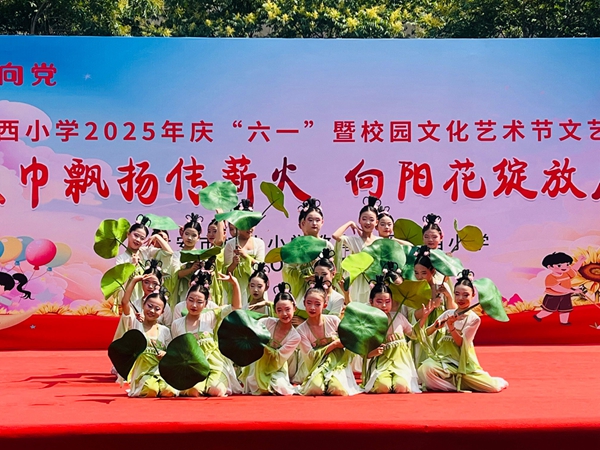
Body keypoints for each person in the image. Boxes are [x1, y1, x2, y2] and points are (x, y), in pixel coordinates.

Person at [417, 269, 508, 393]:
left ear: (473, 295)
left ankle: (495, 381)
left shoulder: (474, 319)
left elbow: (461, 343)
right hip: (444, 360)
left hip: (463, 362)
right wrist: (435, 327)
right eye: (457, 294)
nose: (460, 298)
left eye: (466, 295)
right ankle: (454, 386)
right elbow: (426, 333)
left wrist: (451, 327)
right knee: (425, 369)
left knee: (493, 388)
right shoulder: (448, 313)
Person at [170, 273, 243, 397]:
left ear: (205, 304)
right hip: (193, 367)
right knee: (193, 391)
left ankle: (215, 384)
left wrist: (235, 284)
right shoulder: (177, 324)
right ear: (186, 300)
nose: (194, 305)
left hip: (214, 365)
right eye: (191, 300)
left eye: (199, 302)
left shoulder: (211, 315)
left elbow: (236, 307)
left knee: (216, 391)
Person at [296, 277, 361, 396]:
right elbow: (310, 356)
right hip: (318, 364)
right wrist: (334, 344)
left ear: (325, 305)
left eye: (317, 304)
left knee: (337, 389)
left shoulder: (334, 320)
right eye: (309, 303)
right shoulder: (301, 330)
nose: (312, 307)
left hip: (338, 363)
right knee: (315, 389)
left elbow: (349, 341)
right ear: (304, 303)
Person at [240, 282, 301, 395]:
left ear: (294, 308)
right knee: (256, 385)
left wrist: (263, 347)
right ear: (275, 311)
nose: (284, 314)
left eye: (287, 309)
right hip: (258, 364)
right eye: (279, 310)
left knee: (281, 388)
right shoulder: (266, 322)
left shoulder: (295, 336)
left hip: (277, 367)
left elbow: (279, 357)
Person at [363, 275, 420, 394]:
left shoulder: (398, 317)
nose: (384, 305)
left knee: (401, 387)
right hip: (381, 365)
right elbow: (363, 352)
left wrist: (424, 318)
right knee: (382, 387)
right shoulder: (367, 323)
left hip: (400, 364)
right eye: (379, 302)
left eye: (387, 302)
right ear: (371, 302)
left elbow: (414, 335)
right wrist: (374, 352)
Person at [119, 289, 176, 398]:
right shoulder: (135, 324)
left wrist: (165, 354)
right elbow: (125, 303)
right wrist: (135, 281)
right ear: (143, 304)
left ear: (162, 312)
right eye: (149, 306)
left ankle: (159, 386)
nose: (152, 311)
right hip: (143, 373)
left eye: (157, 309)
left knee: (169, 391)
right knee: (151, 390)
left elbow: (171, 353)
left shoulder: (165, 331)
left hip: (160, 371)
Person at [282, 197, 333, 303]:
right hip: (302, 292)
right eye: (310, 220)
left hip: (323, 292)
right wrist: (304, 274)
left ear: (322, 222)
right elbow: (287, 271)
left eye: (317, 220)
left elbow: (334, 272)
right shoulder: (295, 246)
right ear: (303, 223)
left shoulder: (327, 246)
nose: (314, 223)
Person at [332, 196, 382, 304]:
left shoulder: (380, 241)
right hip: (356, 283)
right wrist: (350, 223)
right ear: (359, 220)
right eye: (364, 219)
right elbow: (335, 236)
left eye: (371, 220)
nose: (367, 222)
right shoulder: (354, 240)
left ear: (377, 222)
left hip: (373, 282)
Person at [113, 260, 172, 340]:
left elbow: (168, 327)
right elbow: (125, 304)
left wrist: (152, 324)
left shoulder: (165, 306)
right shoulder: (135, 304)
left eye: (154, 283)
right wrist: (134, 280)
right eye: (146, 282)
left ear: (160, 283)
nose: (150, 286)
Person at [224, 200, 265, 307]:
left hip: (255, 287)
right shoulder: (230, 244)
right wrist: (234, 264)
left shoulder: (259, 243)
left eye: (252, 224)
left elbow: (260, 267)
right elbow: (226, 271)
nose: (250, 228)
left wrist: (245, 256)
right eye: (246, 224)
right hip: (238, 286)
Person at [534, 252, 585, 325]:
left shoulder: (566, 273)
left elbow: (574, 269)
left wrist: (580, 261)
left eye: (567, 264)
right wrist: (571, 290)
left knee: (565, 309)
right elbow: (557, 288)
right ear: (549, 267)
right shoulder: (550, 277)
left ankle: (564, 322)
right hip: (553, 296)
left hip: (566, 295)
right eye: (559, 265)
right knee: (549, 310)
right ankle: (537, 316)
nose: (565, 267)